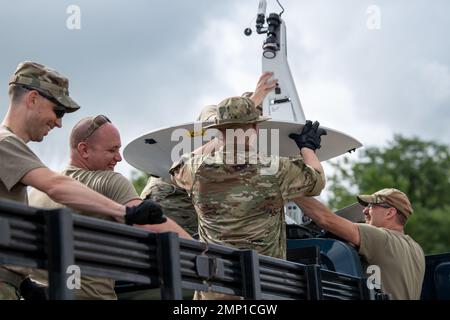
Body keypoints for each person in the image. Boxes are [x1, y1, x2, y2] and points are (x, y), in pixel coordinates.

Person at [0, 62, 164, 299]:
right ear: (33, 98)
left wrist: (25, 284)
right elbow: (56, 185)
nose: (58, 123)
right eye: (58, 111)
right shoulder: (5, 143)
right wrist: (124, 212)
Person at [170, 95, 327, 300]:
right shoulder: (275, 168)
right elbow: (317, 181)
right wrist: (308, 147)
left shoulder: (196, 169)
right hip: (264, 287)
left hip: (214, 290)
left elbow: (175, 168)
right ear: (255, 127)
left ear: (219, 130)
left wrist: (218, 142)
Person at [28, 115, 191, 299]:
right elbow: (150, 224)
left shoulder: (37, 192)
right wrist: (203, 251)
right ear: (84, 150)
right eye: (112, 150)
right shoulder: (108, 181)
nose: (119, 158)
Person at [141, 72, 278, 237]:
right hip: (170, 195)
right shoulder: (212, 113)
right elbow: (223, 134)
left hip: (193, 197)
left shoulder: (249, 152)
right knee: (176, 250)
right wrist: (256, 99)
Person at [294, 188, 425, 300]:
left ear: (390, 212)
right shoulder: (417, 249)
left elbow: (325, 219)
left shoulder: (381, 238)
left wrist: (291, 189)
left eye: (371, 206)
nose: (365, 211)